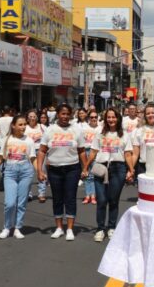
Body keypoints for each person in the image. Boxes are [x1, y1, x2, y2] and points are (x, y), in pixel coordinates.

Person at [83, 108, 134, 243]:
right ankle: (100, 229)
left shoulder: (124, 135)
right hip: (101, 167)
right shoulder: (99, 133)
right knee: (101, 200)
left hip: (118, 168)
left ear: (118, 118)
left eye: (114, 117)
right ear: (105, 119)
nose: (111, 120)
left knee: (113, 200)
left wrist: (131, 169)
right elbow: (93, 152)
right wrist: (86, 167)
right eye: (109, 117)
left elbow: (128, 154)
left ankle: (111, 227)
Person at [38, 104, 83, 241]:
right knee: (57, 199)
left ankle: (69, 229)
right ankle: (59, 228)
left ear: (71, 115)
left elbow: (81, 151)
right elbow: (42, 151)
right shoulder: (50, 130)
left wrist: (85, 168)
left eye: (67, 114)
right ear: (58, 114)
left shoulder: (76, 130)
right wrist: (40, 170)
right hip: (54, 169)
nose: (65, 116)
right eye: (62, 114)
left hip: (72, 168)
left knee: (70, 198)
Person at [0, 115, 37, 240]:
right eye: (20, 124)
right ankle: (7, 227)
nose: (23, 127)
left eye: (25, 124)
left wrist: (40, 172)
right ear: (13, 126)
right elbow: (0, 158)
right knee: (10, 203)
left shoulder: (29, 140)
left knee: (21, 203)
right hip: (10, 172)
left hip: (26, 172)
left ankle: (18, 228)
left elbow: (32, 158)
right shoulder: (6, 140)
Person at [24, 110, 48, 202]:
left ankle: (41, 194)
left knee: (41, 171)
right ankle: (28, 194)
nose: (32, 118)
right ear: (27, 118)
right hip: (28, 152)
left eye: (34, 116)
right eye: (30, 116)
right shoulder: (25, 128)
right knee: (28, 173)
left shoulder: (42, 127)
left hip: (40, 151)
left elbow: (47, 139)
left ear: (37, 118)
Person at [79, 111, 101, 205]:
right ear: (88, 118)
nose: (94, 119)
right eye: (92, 117)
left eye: (95, 117)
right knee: (86, 174)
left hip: (97, 152)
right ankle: (88, 195)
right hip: (86, 151)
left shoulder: (101, 128)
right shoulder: (84, 128)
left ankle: (94, 196)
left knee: (94, 175)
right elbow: (80, 142)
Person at [131, 104, 154, 177]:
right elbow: (135, 154)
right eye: (148, 113)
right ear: (145, 116)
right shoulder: (140, 130)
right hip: (143, 167)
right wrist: (131, 169)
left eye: (153, 113)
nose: (150, 115)